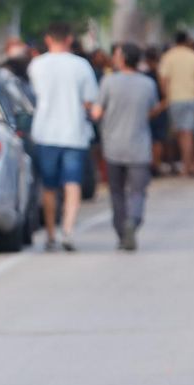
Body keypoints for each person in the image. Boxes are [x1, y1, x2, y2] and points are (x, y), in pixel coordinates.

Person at [28, 21, 99, 252]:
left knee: (48, 186)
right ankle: (68, 231)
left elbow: (32, 98)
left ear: (48, 39)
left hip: (45, 133)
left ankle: (50, 233)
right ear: (69, 39)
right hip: (74, 133)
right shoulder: (81, 66)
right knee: (72, 184)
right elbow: (90, 101)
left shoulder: (36, 65)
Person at [91, 43, 159, 251]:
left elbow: (96, 113)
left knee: (117, 192)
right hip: (139, 146)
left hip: (113, 146)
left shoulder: (108, 82)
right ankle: (134, 220)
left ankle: (121, 232)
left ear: (121, 59)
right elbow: (153, 108)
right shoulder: (148, 84)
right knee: (138, 191)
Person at [158, 31, 194, 176]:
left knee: (179, 133)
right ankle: (189, 165)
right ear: (187, 41)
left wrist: (166, 95)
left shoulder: (168, 57)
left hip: (174, 98)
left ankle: (186, 165)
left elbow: (163, 79)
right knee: (188, 133)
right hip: (192, 98)